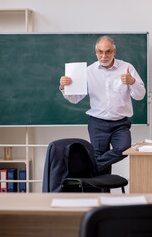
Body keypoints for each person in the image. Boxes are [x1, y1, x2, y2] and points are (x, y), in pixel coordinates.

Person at [59, 36, 146, 175]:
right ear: (95, 52)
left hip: (120, 123)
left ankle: (84, 169)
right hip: (97, 123)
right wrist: (64, 87)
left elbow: (140, 95)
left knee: (123, 149)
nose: (104, 56)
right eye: (100, 52)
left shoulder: (127, 68)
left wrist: (132, 82)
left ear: (114, 51)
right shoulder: (89, 71)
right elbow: (75, 99)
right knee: (102, 166)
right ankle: (103, 194)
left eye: (108, 52)